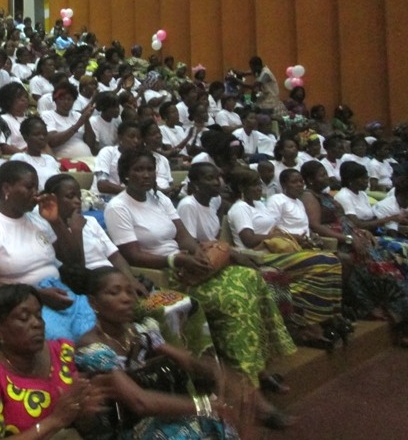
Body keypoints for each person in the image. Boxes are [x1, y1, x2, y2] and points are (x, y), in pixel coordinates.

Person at [103, 149, 296, 426]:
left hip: (189, 267)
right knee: (234, 299)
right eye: (138, 170)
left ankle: (259, 369)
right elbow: (131, 254)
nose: (145, 175)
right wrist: (176, 260)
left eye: (149, 169)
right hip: (164, 273)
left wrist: (199, 257)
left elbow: (184, 237)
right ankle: (248, 392)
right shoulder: (118, 207)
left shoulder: (161, 200)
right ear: (124, 175)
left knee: (252, 278)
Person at [75, 268, 241, 440]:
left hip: (156, 417)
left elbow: (188, 361)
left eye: (130, 292)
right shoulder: (92, 348)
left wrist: (224, 377)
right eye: (114, 293)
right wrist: (207, 406)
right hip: (124, 429)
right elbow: (139, 402)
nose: (126, 298)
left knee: (220, 424)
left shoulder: (139, 332)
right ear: (94, 303)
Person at [300, 160, 408, 351]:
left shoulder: (324, 194)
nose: (327, 177)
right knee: (382, 275)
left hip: (352, 237)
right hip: (341, 243)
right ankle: (405, 331)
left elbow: (345, 219)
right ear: (310, 180)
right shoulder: (309, 196)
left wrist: (361, 231)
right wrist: (349, 239)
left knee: (391, 271)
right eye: (322, 175)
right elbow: (316, 226)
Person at [0, 160, 97, 341]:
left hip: (59, 291)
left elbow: (73, 260)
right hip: (20, 303)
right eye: (29, 187)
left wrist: (55, 221)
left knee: (97, 334)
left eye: (36, 187)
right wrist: (37, 295)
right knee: (63, 343)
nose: (36, 193)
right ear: (7, 189)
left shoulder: (38, 219)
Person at [0, 284, 107, 439]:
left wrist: (85, 414)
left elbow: (82, 426)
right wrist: (54, 421)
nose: (37, 323)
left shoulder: (62, 352)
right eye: (24, 318)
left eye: (38, 315)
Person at [227, 168, 346, 349]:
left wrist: (291, 237)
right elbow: (248, 239)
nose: (259, 188)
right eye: (254, 185)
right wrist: (279, 236)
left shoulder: (259, 205)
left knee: (332, 261)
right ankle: (311, 324)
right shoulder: (239, 208)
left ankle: (325, 317)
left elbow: (275, 228)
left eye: (259, 184)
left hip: (275, 250)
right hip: (259, 256)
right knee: (323, 262)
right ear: (242, 188)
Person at [335, 161, 408, 287]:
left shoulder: (362, 194)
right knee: (401, 247)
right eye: (363, 178)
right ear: (351, 180)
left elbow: (371, 218)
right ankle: (406, 284)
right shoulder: (344, 196)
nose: (367, 181)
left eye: (367, 177)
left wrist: (385, 220)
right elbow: (355, 224)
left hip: (372, 232)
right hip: (358, 235)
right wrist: (388, 219)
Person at [42, 82, 96, 159]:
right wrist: (78, 124)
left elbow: (91, 143)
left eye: (69, 99)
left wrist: (86, 121)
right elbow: (52, 142)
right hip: (64, 161)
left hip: (87, 159)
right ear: (55, 100)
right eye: (62, 99)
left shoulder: (77, 116)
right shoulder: (47, 115)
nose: (66, 102)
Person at [9, 116, 61, 192]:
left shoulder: (50, 159)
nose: (42, 137)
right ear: (26, 137)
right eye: (37, 134)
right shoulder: (19, 159)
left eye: (44, 134)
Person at [93, 121, 142, 195]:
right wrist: (132, 192)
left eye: (139, 138)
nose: (136, 141)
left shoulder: (140, 158)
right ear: (120, 138)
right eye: (131, 137)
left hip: (127, 198)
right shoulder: (108, 152)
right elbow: (102, 185)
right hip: (103, 198)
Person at [0, 81, 29, 151]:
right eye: (19, 97)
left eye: (25, 97)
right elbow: (3, 146)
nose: (24, 99)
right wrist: (24, 154)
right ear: (8, 101)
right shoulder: (2, 119)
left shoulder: (30, 119)